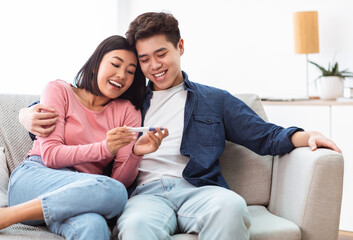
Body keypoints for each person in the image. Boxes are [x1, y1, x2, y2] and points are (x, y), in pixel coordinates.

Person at [18, 12, 341, 240]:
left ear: (180, 47)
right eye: (144, 60)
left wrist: (305, 134)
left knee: (229, 207)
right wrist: (27, 113)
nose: (154, 65)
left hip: (198, 188)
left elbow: (265, 136)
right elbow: (76, 111)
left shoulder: (215, 100)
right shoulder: (128, 102)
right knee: (136, 227)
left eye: (162, 54)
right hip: (143, 194)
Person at [0, 35, 168, 240]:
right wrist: (105, 147)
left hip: (80, 196)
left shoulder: (128, 112)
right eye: (115, 64)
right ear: (96, 64)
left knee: (95, 224)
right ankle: (8, 215)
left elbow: (119, 180)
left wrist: (135, 153)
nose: (122, 75)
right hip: (35, 179)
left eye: (130, 71)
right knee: (113, 191)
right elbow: (51, 155)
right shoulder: (59, 90)